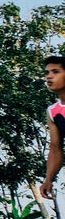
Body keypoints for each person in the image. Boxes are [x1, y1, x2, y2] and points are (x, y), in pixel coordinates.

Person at [39, 56, 65, 198]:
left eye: (55, 72)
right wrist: (48, 180)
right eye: (47, 73)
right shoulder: (53, 112)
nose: (49, 77)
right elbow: (55, 149)